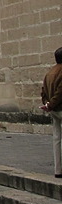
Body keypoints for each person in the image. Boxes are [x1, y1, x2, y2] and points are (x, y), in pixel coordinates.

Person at [41, 46, 62, 178]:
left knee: (57, 139)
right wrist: (52, 103)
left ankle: (58, 169)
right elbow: (60, 92)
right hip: (59, 107)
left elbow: (43, 92)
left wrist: (47, 104)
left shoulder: (49, 73)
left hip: (53, 110)